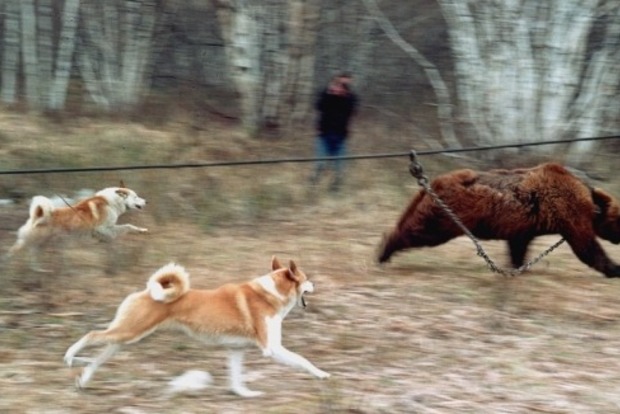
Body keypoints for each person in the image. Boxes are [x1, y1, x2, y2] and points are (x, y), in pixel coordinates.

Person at [311, 72, 358, 191]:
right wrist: (330, 93)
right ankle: (313, 185)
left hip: (341, 137)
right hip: (324, 135)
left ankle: (335, 190)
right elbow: (319, 106)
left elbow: (352, 111)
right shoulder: (326, 93)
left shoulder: (351, 98)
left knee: (339, 168)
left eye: (346, 84)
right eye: (340, 83)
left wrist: (344, 95)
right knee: (320, 164)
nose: (342, 86)